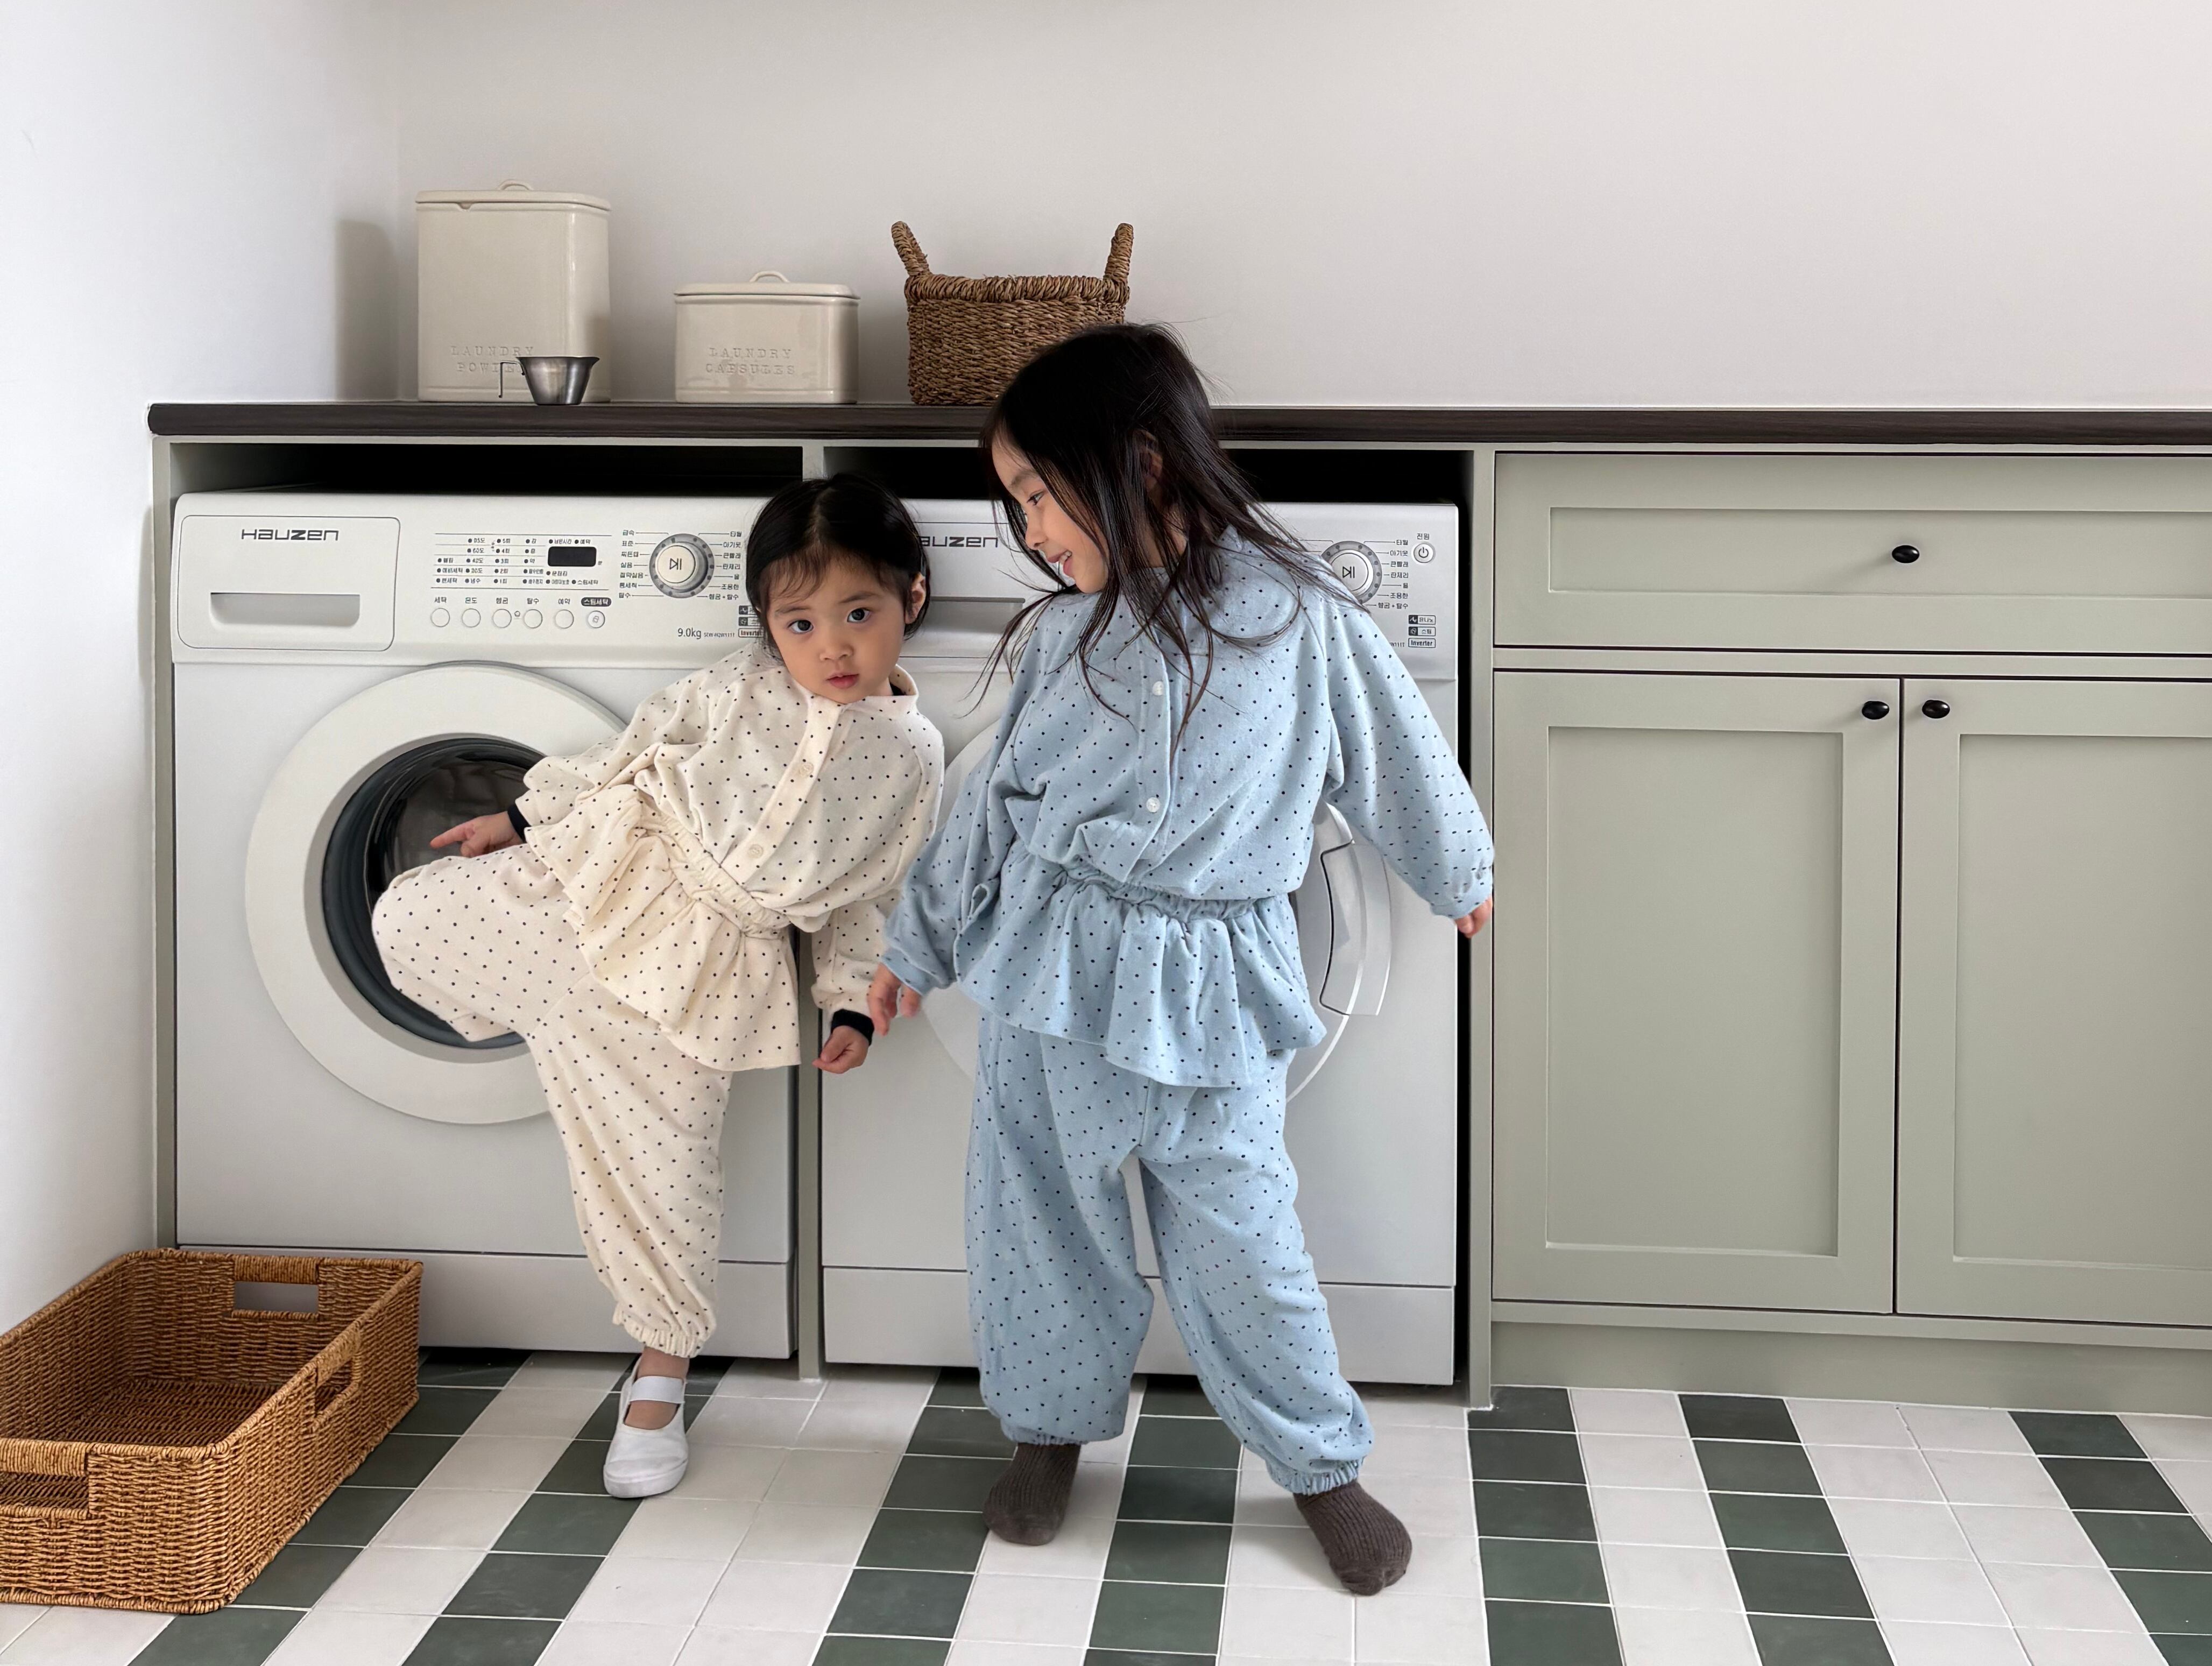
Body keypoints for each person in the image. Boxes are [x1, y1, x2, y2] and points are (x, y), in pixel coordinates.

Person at [876, 326, 1493, 1594]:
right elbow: (989, 806)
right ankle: (1047, 1436)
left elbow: (1395, 749)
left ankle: (1320, 1465)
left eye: (1039, 495)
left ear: (1143, 464)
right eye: (1016, 505)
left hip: (1216, 984)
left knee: (1243, 1234)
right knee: (1037, 1218)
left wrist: (1459, 871)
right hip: (1050, 969)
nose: (1031, 531)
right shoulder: (1063, 640)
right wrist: (917, 941)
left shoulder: (1299, 618)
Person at [373, 477, 941, 1496]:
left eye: (859, 614)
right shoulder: (732, 687)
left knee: (669, 1177)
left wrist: (852, 1001)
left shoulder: (912, 756)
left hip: (710, 974)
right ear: (768, 626)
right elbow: (625, 756)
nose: (833, 647)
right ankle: (558, 1024)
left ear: (913, 597)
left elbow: (871, 894)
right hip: (607, 874)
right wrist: (520, 817)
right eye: (801, 624)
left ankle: (659, 1375)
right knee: (406, 917)